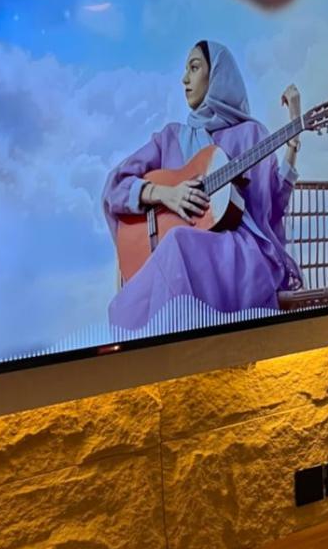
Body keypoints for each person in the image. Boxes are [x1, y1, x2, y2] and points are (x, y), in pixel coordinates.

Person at [102, 41, 303, 331]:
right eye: (185, 70)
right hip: (177, 252)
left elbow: (271, 205)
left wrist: (294, 136)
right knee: (176, 244)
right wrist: (166, 194)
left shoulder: (251, 133)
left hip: (238, 252)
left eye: (194, 68)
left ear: (218, 76)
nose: (185, 79)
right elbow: (115, 186)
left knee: (177, 243)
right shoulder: (170, 137)